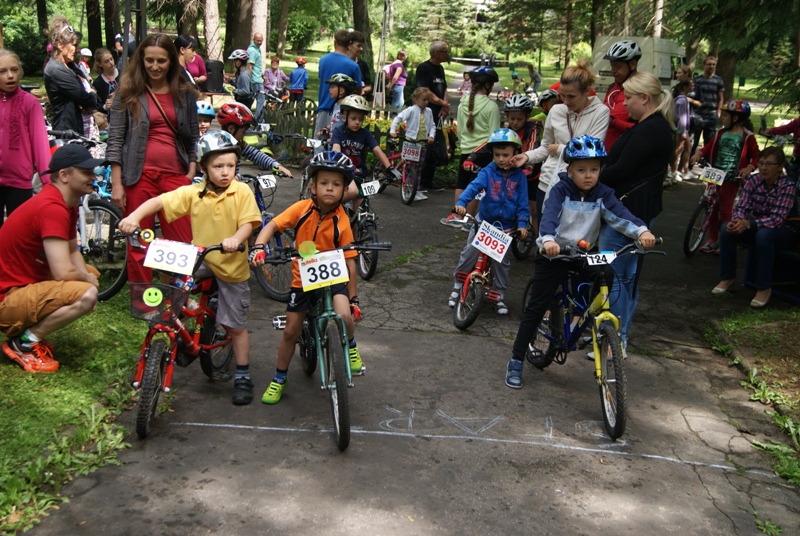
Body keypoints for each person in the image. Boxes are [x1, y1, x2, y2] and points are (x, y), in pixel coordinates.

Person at [118, 131, 261, 404]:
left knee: (236, 325)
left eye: (230, 166)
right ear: (205, 167)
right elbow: (160, 201)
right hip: (201, 258)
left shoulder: (241, 191)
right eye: (218, 166)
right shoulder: (194, 192)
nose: (225, 172)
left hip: (230, 263)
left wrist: (236, 239)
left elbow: (248, 223)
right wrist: (134, 216)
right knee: (174, 292)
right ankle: (179, 334)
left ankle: (243, 375)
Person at [505, 135, 655, 389]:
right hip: (555, 253)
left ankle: (579, 320)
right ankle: (517, 359)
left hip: (584, 253)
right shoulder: (560, 190)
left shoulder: (603, 194)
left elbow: (621, 215)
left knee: (606, 275)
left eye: (594, 170)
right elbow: (550, 216)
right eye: (582, 170)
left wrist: (642, 231)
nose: (588, 175)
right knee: (536, 307)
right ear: (569, 169)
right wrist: (549, 240)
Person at [249, 151, 362, 405]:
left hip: (334, 277)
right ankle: (279, 378)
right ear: (313, 185)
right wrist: (258, 247)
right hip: (304, 279)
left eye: (336, 184)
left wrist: (354, 298)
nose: (329, 189)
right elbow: (272, 226)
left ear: (344, 189)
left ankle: (352, 347)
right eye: (324, 183)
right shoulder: (301, 209)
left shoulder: (343, 220)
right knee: (291, 330)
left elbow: (350, 261)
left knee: (345, 315)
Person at [0, 144, 102, 372]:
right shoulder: (52, 208)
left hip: (19, 286)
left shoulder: (66, 204)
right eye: (86, 172)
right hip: (6, 298)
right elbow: (63, 272)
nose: (93, 178)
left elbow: (72, 251)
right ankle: (23, 343)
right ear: (64, 175)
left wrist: (86, 277)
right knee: (86, 294)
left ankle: (30, 331)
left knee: (90, 277)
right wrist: (85, 282)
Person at [107, 33, 199, 284]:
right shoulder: (128, 91)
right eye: (149, 60)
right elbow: (115, 139)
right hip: (138, 176)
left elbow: (192, 136)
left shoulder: (184, 92)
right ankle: (144, 302)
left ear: (172, 61)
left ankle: (176, 296)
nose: (155, 66)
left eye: (161, 61)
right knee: (139, 241)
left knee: (180, 242)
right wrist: (117, 183)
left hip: (175, 177)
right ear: (141, 60)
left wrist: (189, 173)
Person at [596, 71, 675, 354]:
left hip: (626, 214)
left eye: (628, 98)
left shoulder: (649, 130)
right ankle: (619, 338)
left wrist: (590, 176)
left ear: (645, 98)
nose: (624, 104)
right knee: (628, 277)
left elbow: (620, 172)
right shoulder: (655, 127)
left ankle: (612, 340)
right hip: (639, 211)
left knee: (614, 276)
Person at [510, 58, 609, 226]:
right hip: (548, 183)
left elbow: (592, 152)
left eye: (571, 96)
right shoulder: (556, 110)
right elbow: (546, 147)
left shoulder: (601, 112)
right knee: (545, 238)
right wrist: (526, 156)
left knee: (573, 241)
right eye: (562, 95)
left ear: (586, 92)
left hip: (579, 187)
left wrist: (560, 149)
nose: (566, 101)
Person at [447, 129, 529, 316]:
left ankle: (498, 293)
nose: (501, 159)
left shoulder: (520, 178)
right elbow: (473, 188)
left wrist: (523, 225)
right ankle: (458, 284)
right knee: (469, 252)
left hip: (505, 227)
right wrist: (461, 203)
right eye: (497, 154)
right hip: (484, 223)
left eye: (506, 155)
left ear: (515, 154)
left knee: (501, 262)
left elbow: (523, 204)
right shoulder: (487, 172)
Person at [711, 146, 799, 308]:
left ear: (780, 167)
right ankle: (727, 277)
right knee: (726, 228)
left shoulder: (787, 186)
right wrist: (738, 221)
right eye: (761, 164)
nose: (764, 168)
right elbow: (742, 207)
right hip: (758, 226)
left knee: (763, 236)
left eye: (769, 164)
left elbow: (777, 219)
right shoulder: (753, 181)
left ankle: (764, 287)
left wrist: (748, 224)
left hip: (785, 231)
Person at [462, 94, 542, 234]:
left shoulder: (533, 129)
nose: (515, 122)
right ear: (507, 116)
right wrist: (471, 157)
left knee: (533, 210)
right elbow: (488, 144)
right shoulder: (506, 131)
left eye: (519, 119)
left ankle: (538, 241)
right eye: (512, 118)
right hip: (509, 171)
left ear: (527, 116)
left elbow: (532, 147)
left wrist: (528, 168)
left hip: (529, 172)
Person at [690, 99, 759, 254]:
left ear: (735, 118)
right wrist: (699, 153)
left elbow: (756, 156)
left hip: (731, 178)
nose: (722, 118)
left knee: (726, 209)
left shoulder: (747, 137)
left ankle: (726, 240)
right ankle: (711, 240)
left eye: (726, 115)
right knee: (712, 206)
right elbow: (708, 147)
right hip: (715, 174)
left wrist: (749, 167)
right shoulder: (720, 133)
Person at [440, 67, 500, 227]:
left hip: (466, 151)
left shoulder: (462, 104)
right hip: (483, 153)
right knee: (478, 188)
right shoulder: (491, 107)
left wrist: (465, 144)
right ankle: (469, 220)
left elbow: (460, 131)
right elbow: (494, 136)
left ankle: (456, 216)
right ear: (487, 85)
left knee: (462, 183)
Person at [0, 48, 52, 224]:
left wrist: (47, 181)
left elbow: (40, 144)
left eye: (14, 70)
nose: (10, 76)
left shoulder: (30, 103)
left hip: (19, 182)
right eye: (3, 71)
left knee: (18, 235)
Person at [331, 95, 392, 206]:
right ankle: (330, 205)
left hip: (360, 177)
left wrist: (389, 168)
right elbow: (336, 151)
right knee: (351, 194)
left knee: (358, 215)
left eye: (360, 119)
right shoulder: (338, 132)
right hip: (344, 176)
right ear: (344, 118)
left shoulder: (365, 134)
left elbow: (377, 150)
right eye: (353, 118)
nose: (357, 122)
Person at [43, 19, 99, 134]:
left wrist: (91, 93)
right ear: (60, 44)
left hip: (83, 129)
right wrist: (92, 93)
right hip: (68, 133)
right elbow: (88, 100)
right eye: (74, 45)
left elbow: (89, 89)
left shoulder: (71, 65)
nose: (78, 50)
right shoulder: (56, 70)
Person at [215, 102, 292, 176]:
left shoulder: (238, 144)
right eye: (243, 131)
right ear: (231, 129)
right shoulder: (216, 147)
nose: (244, 134)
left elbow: (255, 155)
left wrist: (276, 166)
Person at [415, 40, 451, 192]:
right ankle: (419, 181)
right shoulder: (424, 68)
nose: (447, 54)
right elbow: (426, 91)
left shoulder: (440, 68)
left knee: (435, 145)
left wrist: (444, 105)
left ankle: (429, 179)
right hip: (426, 113)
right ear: (436, 53)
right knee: (425, 145)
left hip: (438, 114)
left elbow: (444, 88)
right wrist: (443, 103)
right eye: (445, 51)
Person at [390, 87, 436, 201]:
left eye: (427, 100)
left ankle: (416, 189)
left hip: (422, 144)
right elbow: (398, 118)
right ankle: (410, 189)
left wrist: (431, 136)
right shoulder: (411, 110)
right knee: (411, 166)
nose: (426, 102)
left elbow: (433, 126)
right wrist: (392, 130)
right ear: (415, 99)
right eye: (424, 100)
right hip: (411, 143)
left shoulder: (429, 112)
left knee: (419, 168)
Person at [315, 30, 362, 137]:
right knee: (339, 143)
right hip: (343, 111)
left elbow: (321, 78)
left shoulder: (323, 60)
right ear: (349, 44)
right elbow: (359, 90)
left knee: (320, 143)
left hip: (324, 106)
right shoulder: (353, 65)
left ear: (335, 42)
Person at [603, 39, 641, 150]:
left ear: (632, 65)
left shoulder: (639, 89)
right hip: (605, 150)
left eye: (617, 66)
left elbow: (642, 127)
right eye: (612, 66)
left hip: (625, 150)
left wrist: (613, 122)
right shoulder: (612, 87)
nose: (613, 70)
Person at [692, 55, 725, 152]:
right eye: (709, 64)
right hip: (698, 114)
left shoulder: (718, 80)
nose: (711, 67)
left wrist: (718, 113)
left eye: (713, 65)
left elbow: (720, 98)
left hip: (712, 114)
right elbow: (693, 96)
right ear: (704, 65)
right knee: (694, 141)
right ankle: (690, 161)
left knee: (709, 142)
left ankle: (705, 163)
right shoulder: (697, 80)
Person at [762, 101, 800, 180]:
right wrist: (771, 131)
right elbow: (786, 128)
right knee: (792, 175)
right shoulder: (797, 122)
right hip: (798, 157)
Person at [669, 78, 694, 182]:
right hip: (681, 130)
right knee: (678, 150)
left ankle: (685, 170)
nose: (693, 87)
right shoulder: (682, 100)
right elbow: (682, 118)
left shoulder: (682, 99)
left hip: (683, 130)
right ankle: (673, 171)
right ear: (685, 87)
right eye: (691, 85)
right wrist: (683, 132)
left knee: (688, 148)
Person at [92, 48, 119, 116]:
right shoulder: (98, 83)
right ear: (100, 64)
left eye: (111, 59)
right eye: (106, 61)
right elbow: (97, 104)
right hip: (112, 117)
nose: (111, 63)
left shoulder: (123, 73)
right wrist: (105, 106)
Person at [247, 33, 265, 122]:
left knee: (251, 101)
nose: (259, 42)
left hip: (258, 78)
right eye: (257, 40)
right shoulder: (253, 51)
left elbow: (257, 66)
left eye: (261, 41)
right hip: (255, 80)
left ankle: (250, 119)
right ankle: (257, 121)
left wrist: (263, 76)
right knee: (261, 101)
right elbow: (250, 66)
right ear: (253, 40)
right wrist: (248, 80)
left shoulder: (257, 49)